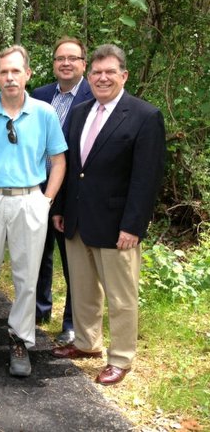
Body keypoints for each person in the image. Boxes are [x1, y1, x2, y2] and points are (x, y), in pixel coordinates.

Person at [51, 44, 165, 385]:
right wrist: (60, 208)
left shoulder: (145, 116)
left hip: (118, 226)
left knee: (120, 295)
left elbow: (146, 179)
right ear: (90, 76)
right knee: (83, 289)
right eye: (97, 73)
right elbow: (70, 167)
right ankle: (87, 343)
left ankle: (121, 358)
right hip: (77, 220)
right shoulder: (81, 110)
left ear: (123, 75)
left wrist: (133, 225)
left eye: (109, 72)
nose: (102, 78)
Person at [0, 45, 67, 377]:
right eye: (3, 72)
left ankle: (20, 341)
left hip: (29, 200)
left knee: (27, 277)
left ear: (28, 74)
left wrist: (45, 201)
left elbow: (59, 161)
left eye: (16, 71)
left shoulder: (45, 113)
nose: (9, 77)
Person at [32, 37, 94, 345]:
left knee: (73, 260)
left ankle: (71, 322)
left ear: (84, 63)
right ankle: (39, 310)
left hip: (72, 193)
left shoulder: (93, 96)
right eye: (60, 58)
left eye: (72, 58)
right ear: (54, 64)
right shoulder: (40, 95)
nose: (65, 63)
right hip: (35, 189)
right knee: (36, 254)